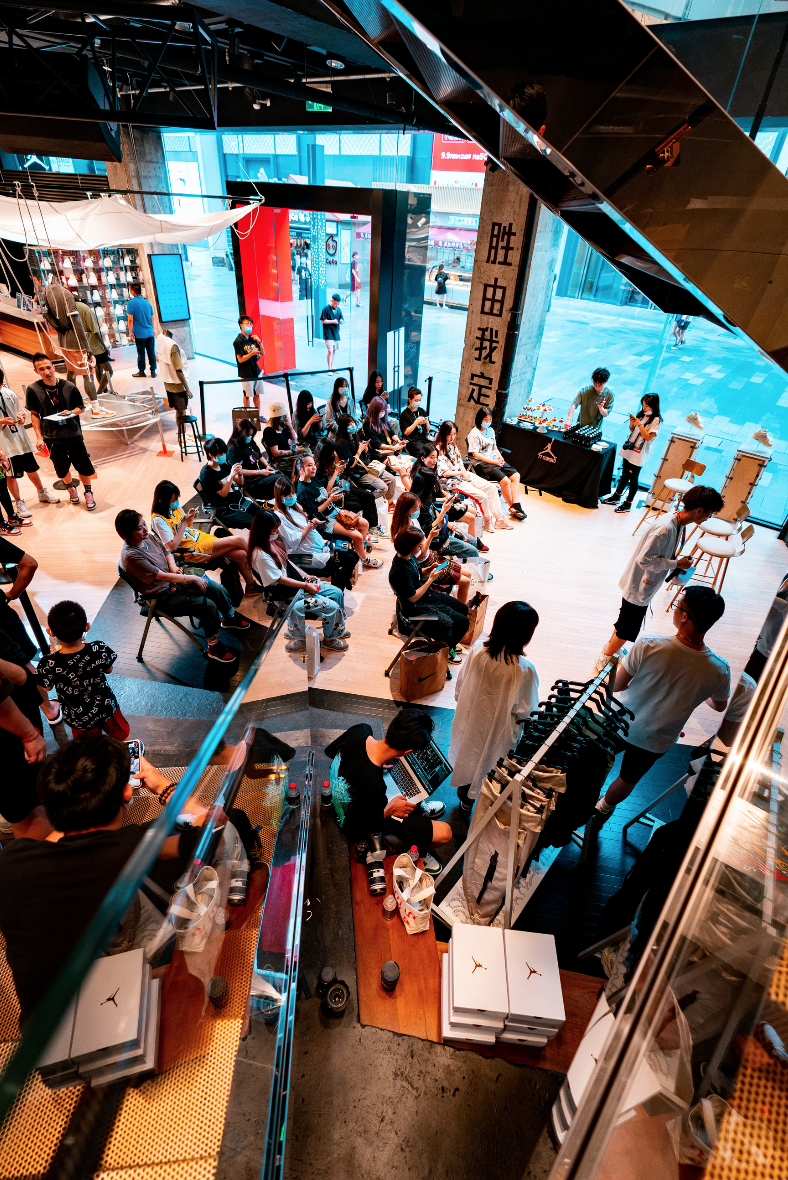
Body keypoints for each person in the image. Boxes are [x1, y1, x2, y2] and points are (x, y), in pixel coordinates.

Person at [0, 735, 212, 1023]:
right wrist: (163, 787)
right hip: (123, 1024)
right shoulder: (133, 846)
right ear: (127, 792)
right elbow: (220, 826)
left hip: (40, 1034)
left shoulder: (9, 861)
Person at [591, 585, 730, 829]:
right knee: (628, 777)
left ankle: (581, 802)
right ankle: (602, 810)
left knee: (595, 764)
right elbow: (719, 705)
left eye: (677, 606)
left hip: (621, 723)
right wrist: (701, 693)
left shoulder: (649, 644)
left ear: (684, 617)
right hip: (658, 738)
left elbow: (617, 685)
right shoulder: (719, 669)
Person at [595, 484, 725, 670]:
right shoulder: (665, 528)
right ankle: (606, 658)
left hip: (643, 583)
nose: (708, 518)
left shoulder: (676, 521)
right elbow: (644, 560)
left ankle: (610, 650)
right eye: (709, 514)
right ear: (699, 510)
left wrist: (675, 563)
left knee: (624, 622)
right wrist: (676, 564)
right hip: (640, 585)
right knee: (626, 629)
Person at [325, 710, 452, 873]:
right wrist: (390, 809)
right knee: (446, 832)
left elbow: (332, 752)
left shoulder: (361, 730)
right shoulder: (375, 788)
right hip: (357, 823)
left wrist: (376, 766)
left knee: (408, 800)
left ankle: (417, 811)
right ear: (408, 752)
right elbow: (359, 830)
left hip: (353, 800)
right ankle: (415, 851)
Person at [117, 509, 249, 663]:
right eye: (139, 528)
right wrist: (191, 578)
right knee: (208, 606)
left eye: (144, 524)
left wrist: (173, 566)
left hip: (175, 580)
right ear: (126, 535)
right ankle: (213, 646)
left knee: (217, 589)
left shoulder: (147, 537)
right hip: (161, 595)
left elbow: (167, 552)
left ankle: (229, 618)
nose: (145, 530)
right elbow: (160, 576)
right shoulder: (131, 556)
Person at [449, 601, 541, 814]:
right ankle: (486, 807)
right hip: (499, 731)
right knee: (492, 766)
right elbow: (527, 712)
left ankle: (465, 801)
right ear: (526, 635)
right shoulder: (524, 670)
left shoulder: (477, 651)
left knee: (468, 759)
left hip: (471, 722)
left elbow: (461, 686)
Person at [247, 509, 348, 654]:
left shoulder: (273, 542)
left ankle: (337, 628)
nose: (277, 531)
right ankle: (329, 640)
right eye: (274, 529)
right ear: (263, 530)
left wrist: (305, 575)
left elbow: (287, 561)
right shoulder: (261, 555)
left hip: (295, 582)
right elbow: (279, 579)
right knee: (331, 606)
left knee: (337, 592)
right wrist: (306, 585)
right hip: (284, 592)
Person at [38, 600, 129, 740]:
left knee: (87, 746)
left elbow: (47, 687)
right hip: (106, 707)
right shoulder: (98, 648)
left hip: (78, 717)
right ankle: (128, 751)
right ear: (87, 627)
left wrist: (51, 655)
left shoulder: (49, 663)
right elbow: (108, 670)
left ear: (50, 632)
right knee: (121, 736)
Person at [150, 479, 256, 594]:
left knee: (241, 555)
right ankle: (262, 566)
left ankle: (251, 588)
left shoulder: (174, 508)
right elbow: (172, 547)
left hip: (200, 539)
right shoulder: (158, 520)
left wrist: (190, 518)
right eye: (174, 500)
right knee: (239, 540)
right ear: (162, 501)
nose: (177, 502)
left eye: (177, 498)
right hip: (192, 550)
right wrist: (184, 523)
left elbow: (187, 528)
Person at [0, 534, 61, 725]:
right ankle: (49, 709)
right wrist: (12, 593)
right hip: (1, 617)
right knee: (24, 663)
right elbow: (29, 564)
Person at [26, 352, 98, 511]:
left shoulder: (69, 386)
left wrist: (71, 412)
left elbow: (81, 408)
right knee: (61, 467)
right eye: (41, 369)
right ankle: (71, 489)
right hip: (51, 437)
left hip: (73, 434)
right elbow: (35, 415)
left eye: (48, 367)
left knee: (84, 465)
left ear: (53, 367)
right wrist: (39, 437)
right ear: (36, 371)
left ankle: (88, 492)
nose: (46, 372)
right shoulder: (33, 389)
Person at [389, 528, 470, 660]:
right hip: (418, 606)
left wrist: (429, 569)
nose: (421, 547)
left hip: (427, 596)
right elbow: (412, 598)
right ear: (410, 547)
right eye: (418, 545)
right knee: (463, 622)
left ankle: (449, 643)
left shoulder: (408, 557)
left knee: (463, 608)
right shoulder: (400, 571)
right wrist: (430, 580)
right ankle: (445, 648)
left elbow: (417, 573)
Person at [295, 453, 381, 570]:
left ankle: (359, 547)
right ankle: (364, 558)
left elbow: (321, 496)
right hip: (324, 521)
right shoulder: (303, 490)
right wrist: (330, 499)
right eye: (310, 465)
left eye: (314, 464)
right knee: (357, 535)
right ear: (301, 469)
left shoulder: (312, 478)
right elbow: (315, 512)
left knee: (365, 523)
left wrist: (330, 493)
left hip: (334, 511)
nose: (314, 467)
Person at [272, 476, 358, 590]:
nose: (292, 496)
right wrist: (309, 526)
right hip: (307, 554)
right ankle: (338, 589)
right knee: (350, 559)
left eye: (293, 493)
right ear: (280, 496)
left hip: (318, 545)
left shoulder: (293, 507)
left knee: (354, 555)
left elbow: (303, 525)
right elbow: (292, 541)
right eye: (288, 494)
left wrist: (312, 523)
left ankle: (341, 580)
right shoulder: (280, 517)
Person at [0, 656, 51, 843]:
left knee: (21, 803)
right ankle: (48, 855)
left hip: (15, 714)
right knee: (28, 808)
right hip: (10, 735)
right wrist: (28, 733)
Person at [0, 365, 60, 517]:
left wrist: (21, 417)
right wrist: (1, 422)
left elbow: (21, 411)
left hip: (20, 439)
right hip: (5, 444)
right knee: (11, 475)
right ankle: (19, 501)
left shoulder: (8, 393)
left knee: (31, 468)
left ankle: (41, 492)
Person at [391, 492, 471, 604]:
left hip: (433, 557)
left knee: (468, 574)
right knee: (465, 581)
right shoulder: (405, 532)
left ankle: (459, 603)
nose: (418, 510)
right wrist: (430, 537)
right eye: (415, 508)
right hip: (426, 563)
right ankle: (462, 609)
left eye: (418, 507)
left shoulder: (412, 520)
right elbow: (419, 556)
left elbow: (427, 535)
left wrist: (443, 511)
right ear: (406, 510)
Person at [436, 419, 511, 531]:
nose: (452, 437)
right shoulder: (438, 450)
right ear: (443, 433)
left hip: (462, 475)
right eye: (450, 434)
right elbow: (445, 473)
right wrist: (462, 475)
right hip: (451, 481)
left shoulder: (452, 445)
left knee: (492, 488)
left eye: (454, 434)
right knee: (482, 496)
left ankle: (499, 519)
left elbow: (460, 464)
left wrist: (467, 478)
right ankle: (487, 520)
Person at [410, 445, 482, 560]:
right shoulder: (419, 506)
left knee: (472, 539)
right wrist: (444, 510)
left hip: (442, 530)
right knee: (472, 550)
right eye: (432, 457)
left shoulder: (427, 496)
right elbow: (430, 531)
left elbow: (436, 516)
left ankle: (470, 560)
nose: (435, 460)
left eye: (436, 457)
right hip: (437, 541)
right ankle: (471, 567)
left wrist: (451, 527)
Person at [601, 394, 662, 514]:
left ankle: (628, 503)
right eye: (643, 405)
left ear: (653, 405)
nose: (644, 408)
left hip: (639, 453)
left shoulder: (656, 420)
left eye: (647, 406)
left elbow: (648, 437)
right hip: (630, 448)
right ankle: (617, 496)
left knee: (633, 478)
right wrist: (632, 424)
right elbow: (634, 431)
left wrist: (639, 424)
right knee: (624, 474)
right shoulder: (642, 414)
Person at [466, 407, 526, 520]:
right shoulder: (474, 434)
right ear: (479, 419)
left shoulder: (491, 431)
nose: (488, 422)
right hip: (482, 463)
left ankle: (516, 505)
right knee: (505, 481)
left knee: (516, 475)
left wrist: (500, 458)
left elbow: (494, 447)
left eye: (490, 420)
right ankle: (514, 509)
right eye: (485, 420)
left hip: (494, 460)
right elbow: (475, 454)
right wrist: (494, 461)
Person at [334, 413, 394, 522]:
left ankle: (388, 504)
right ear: (343, 427)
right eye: (349, 424)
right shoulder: (342, 444)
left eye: (352, 422)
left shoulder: (355, 436)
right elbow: (350, 465)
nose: (352, 425)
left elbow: (363, 454)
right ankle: (366, 502)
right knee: (383, 488)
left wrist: (365, 448)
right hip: (357, 472)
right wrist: (359, 450)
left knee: (392, 479)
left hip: (366, 467)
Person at [314, 438, 379, 533]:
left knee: (369, 496)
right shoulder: (317, 468)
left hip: (341, 484)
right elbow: (326, 489)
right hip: (333, 492)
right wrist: (336, 472)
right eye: (332, 451)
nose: (334, 453)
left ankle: (371, 527)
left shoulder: (330, 458)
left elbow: (335, 473)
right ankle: (364, 527)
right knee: (360, 503)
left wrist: (339, 467)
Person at [199, 437, 261, 530]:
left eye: (224, 452)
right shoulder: (207, 473)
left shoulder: (223, 464)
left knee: (265, 516)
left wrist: (240, 474)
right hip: (225, 509)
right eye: (221, 454)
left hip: (238, 501)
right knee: (257, 524)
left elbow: (239, 483)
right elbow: (223, 494)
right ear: (211, 455)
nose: (224, 455)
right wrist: (231, 476)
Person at [73, 299, 115, 416]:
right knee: (109, 370)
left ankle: (103, 390)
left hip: (84, 342)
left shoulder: (73, 308)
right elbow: (95, 331)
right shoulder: (86, 309)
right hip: (94, 344)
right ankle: (99, 392)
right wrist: (104, 346)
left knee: (97, 368)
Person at [363, 396, 412, 491]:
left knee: (408, 467)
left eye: (384, 411)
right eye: (381, 411)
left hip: (388, 451)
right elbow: (376, 444)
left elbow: (391, 433)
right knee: (402, 470)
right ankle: (412, 494)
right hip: (379, 455)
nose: (383, 413)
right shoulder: (367, 423)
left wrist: (399, 441)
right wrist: (393, 448)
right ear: (375, 410)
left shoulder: (382, 418)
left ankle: (412, 491)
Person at [226, 419, 280, 501]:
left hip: (261, 474)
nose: (250, 437)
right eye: (248, 435)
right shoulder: (232, 449)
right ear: (240, 434)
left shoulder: (249, 442)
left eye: (251, 435)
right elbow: (239, 471)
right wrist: (259, 472)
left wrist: (267, 465)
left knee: (283, 481)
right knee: (281, 481)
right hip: (251, 482)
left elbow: (259, 455)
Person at [156, 328, 192, 422]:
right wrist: (187, 389)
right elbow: (178, 370)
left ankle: (181, 431)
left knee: (179, 410)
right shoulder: (173, 346)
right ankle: (182, 431)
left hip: (167, 382)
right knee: (181, 411)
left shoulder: (160, 338)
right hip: (177, 385)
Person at [233, 315, 265, 408]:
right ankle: (248, 415)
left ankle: (258, 414)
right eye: (247, 323)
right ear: (241, 325)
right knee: (247, 395)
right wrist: (252, 353)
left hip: (256, 371)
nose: (249, 325)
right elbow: (240, 359)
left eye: (251, 324)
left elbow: (263, 353)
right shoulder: (238, 341)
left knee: (257, 394)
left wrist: (259, 342)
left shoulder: (252, 339)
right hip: (246, 372)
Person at [263, 401, 303, 474]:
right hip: (280, 460)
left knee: (308, 453)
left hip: (288, 454)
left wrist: (289, 425)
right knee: (304, 463)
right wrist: (294, 451)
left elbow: (293, 438)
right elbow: (276, 453)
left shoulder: (282, 425)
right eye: (283, 415)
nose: (285, 417)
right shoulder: (269, 431)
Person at [126, 282, 157, 378]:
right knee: (151, 352)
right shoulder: (147, 303)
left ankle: (142, 371)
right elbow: (152, 318)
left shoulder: (131, 303)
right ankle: (153, 371)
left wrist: (130, 331)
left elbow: (130, 319)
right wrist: (152, 330)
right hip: (149, 332)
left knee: (141, 353)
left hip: (139, 333)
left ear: (132, 292)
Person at [399, 387, 431, 456]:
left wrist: (427, 421)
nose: (418, 402)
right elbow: (406, 433)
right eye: (416, 400)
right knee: (425, 452)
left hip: (423, 439)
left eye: (420, 400)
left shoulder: (421, 411)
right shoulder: (404, 414)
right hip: (412, 441)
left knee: (434, 449)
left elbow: (428, 429)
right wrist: (416, 422)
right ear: (410, 400)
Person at [320, 293, 344, 372]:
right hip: (328, 332)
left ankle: (332, 366)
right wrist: (332, 321)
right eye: (336, 303)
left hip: (336, 332)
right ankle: (329, 368)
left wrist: (341, 321)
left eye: (338, 304)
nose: (337, 305)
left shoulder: (338, 309)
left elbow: (341, 317)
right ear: (332, 300)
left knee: (333, 350)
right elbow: (322, 320)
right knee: (330, 350)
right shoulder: (326, 308)